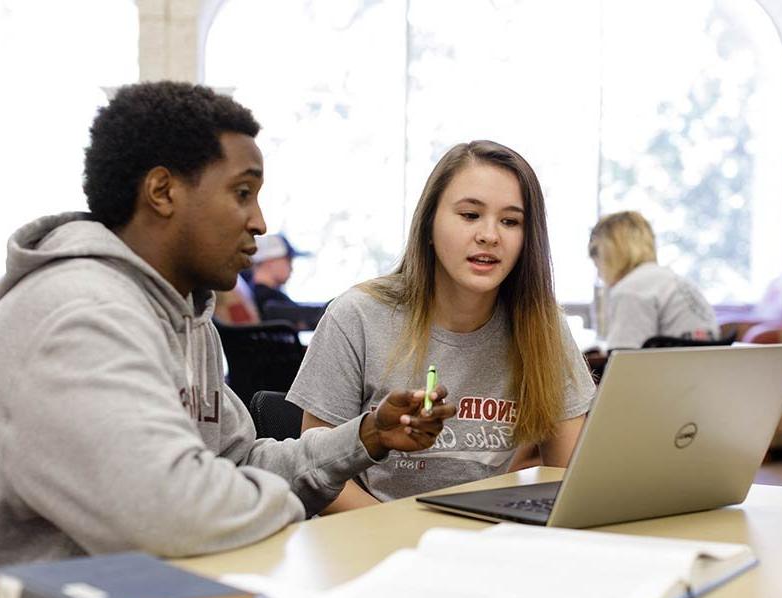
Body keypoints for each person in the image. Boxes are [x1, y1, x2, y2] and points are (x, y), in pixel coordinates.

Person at [0, 81, 455, 592]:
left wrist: (367, 436)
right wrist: (299, 506)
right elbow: (170, 513)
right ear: (162, 191)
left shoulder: (187, 315)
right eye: (242, 193)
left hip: (149, 597)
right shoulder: (80, 313)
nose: (260, 222)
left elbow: (239, 462)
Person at [287, 140, 596, 513]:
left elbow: (570, 479)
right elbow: (320, 474)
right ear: (429, 225)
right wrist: (405, 533)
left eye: (510, 221)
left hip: (484, 542)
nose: (489, 235)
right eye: (470, 215)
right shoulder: (357, 316)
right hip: (375, 539)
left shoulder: (543, 328)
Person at [588, 210, 719, 350]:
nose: (600, 275)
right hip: (708, 368)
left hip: (670, 369)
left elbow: (623, 360)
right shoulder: (677, 281)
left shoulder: (630, 289)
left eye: (597, 264)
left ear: (608, 253)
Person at [251, 233, 325, 329]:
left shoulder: (265, 294)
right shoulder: (265, 298)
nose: (291, 268)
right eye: (288, 260)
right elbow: (305, 315)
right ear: (270, 262)